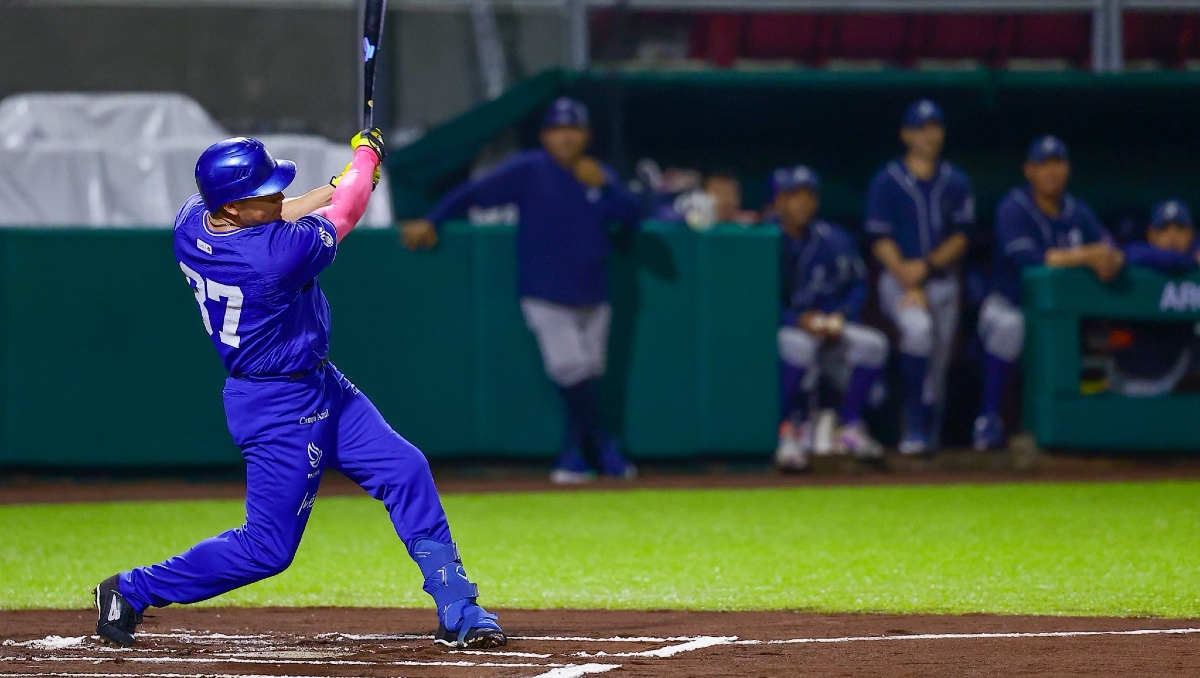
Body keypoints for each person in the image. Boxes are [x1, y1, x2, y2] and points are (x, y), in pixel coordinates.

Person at [93, 131, 507, 650]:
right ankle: (131, 590)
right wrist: (363, 161)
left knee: (405, 469)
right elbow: (346, 213)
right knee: (268, 549)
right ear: (235, 206)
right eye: (262, 191)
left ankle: (459, 609)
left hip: (321, 385)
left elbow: (276, 211)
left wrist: (336, 185)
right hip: (276, 405)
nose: (274, 196)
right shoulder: (271, 260)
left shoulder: (193, 219)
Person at [401, 97, 641, 484]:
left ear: (586, 136)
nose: (566, 137)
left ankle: (571, 457)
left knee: (588, 375)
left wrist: (610, 189)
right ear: (546, 136)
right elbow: (475, 192)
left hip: (594, 294)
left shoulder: (598, 175)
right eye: (558, 129)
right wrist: (434, 219)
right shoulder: (530, 169)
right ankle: (604, 448)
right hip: (545, 292)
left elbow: (633, 217)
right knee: (571, 370)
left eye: (573, 129)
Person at [974, 135, 1123, 449]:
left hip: (1059, 315)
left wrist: (1110, 259)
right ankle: (988, 419)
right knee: (1009, 327)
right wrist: (1088, 255)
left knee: (1095, 335)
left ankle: (1090, 427)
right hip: (1008, 303)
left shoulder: (1077, 210)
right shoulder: (1013, 207)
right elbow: (1029, 259)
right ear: (1029, 170)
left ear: (1067, 168)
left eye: (1057, 163)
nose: (1051, 171)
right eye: (1043, 164)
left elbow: (1109, 250)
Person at [865, 98, 975, 455]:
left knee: (938, 366)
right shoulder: (887, 180)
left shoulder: (956, 180)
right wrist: (908, 278)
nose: (929, 135)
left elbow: (961, 237)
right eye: (921, 128)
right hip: (898, 280)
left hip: (941, 282)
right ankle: (912, 428)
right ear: (906, 134)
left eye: (935, 128)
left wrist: (925, 269)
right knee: (917, 332)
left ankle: (931, 439)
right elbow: (879, 238)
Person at [774, 165, 889, 471]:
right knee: (799, 346)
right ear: (778, 201)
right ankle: (788, 431)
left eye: (808, 195)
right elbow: (755, 301)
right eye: (793, 195)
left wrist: (840, 316)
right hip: (782, 331)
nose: (802, 202)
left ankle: (848, 425)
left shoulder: (834, 238)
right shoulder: (766, 239)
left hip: (827, 329)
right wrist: (797, 321)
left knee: (874, 345)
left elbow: (858, 286)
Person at [1125, 200, 1199, 271]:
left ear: (1191, 233)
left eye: (1180, 229)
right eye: (1164, 229)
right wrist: (1191, 259)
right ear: (1151, 234)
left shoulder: (1196, 248)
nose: (1172, 236)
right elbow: (1132, 252)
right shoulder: (1137, 251)